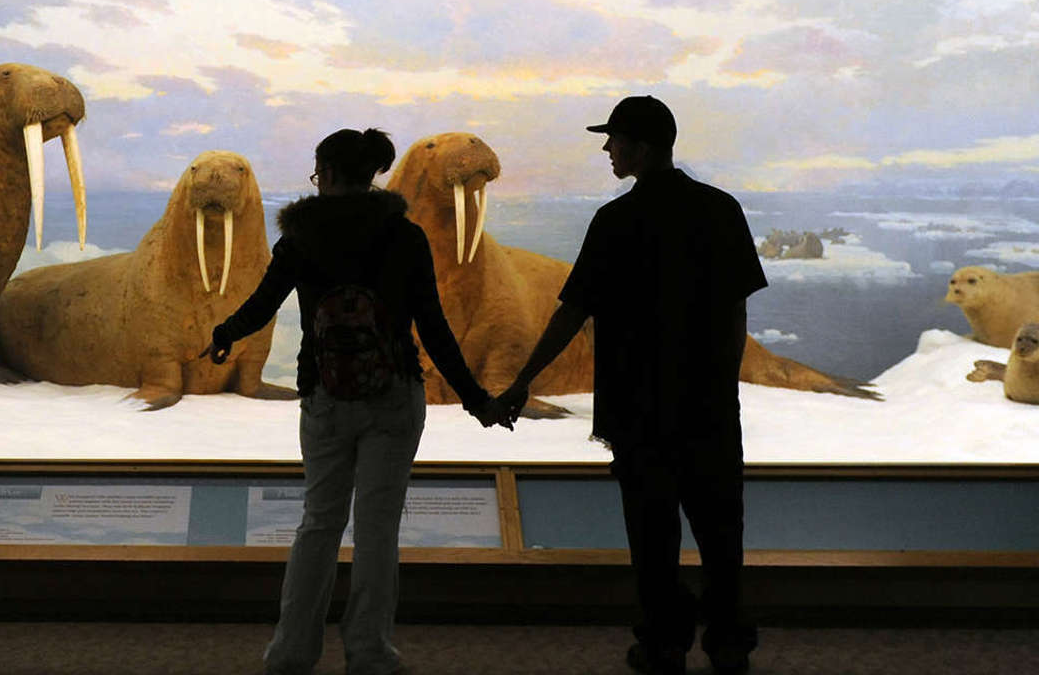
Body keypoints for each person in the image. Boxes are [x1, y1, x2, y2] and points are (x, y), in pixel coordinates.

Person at [481, 96, 764, 675]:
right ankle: (730, 643)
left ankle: (663, 644)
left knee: (653, 534)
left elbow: (571, 313)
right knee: (721, 529)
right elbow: (736, 311)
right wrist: (720, 383)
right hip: (708, 406)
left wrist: (522, 380)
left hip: (637, 409)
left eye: (614, 139)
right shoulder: (720, 209)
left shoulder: (617, 222)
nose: (607, 148)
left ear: (641, 146)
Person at [203, 127, 498, 675]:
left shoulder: (301, 238)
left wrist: (225, 332)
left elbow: (263, 304)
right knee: (378, 529)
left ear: (329, 173)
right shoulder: (404, 237)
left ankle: (291, 652)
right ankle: (369, 652)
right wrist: (476, 397)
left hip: (324, 395)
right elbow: (432, 326)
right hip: (393, 396)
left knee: (318, 522)